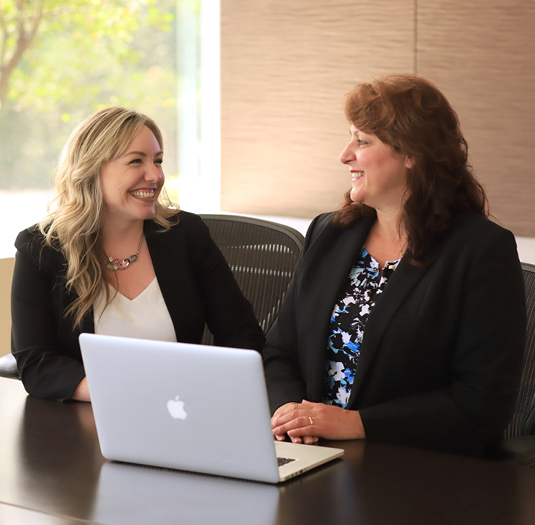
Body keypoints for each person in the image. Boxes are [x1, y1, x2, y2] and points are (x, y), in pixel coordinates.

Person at [264, 74, 526, 456]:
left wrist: (356, 424)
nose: (344, 154)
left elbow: (480, 402)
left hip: (412, 465)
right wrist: (291, 413)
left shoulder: (481, 251)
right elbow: (281, 352)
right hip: (309, 450)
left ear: (411, 154)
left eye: (362, 141)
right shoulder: (329, 232)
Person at [12, 107, 265, 402]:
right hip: (84, 420)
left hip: (181, 409)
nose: (155, 176)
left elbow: (242, 335)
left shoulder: (186, 235)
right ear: (92, 169)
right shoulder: (41, 248)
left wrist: (208, 390)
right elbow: (35, 361)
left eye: (158, 161)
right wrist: (122, 393)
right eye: (136, 161)